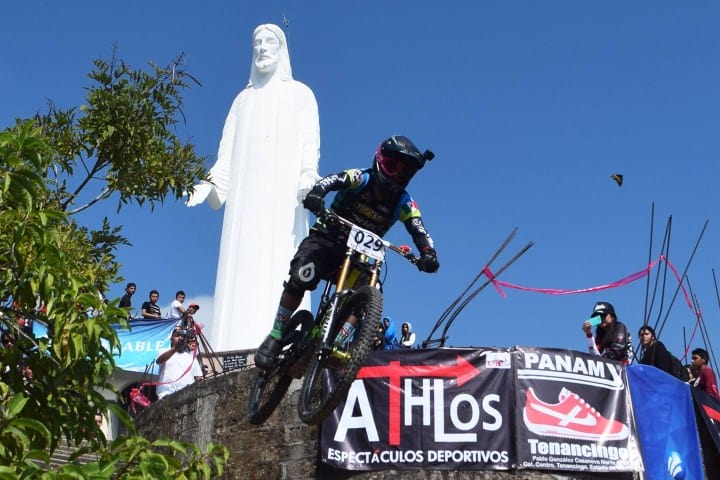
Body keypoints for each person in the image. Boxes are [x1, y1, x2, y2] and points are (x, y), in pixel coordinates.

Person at [185, 23, 320, 352]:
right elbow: (225, 157)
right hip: (244, 208)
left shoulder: (300, 95)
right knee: (239, 276)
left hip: (285, 204)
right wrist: (210, 186)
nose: (261, 48)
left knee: (284, 267)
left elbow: (309, 145)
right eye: (256, 43)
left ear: (281, 49)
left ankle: (284, 349)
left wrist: (307, 175)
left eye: (268, 42)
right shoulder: (241, 102)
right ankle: (230, 351)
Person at [255, 135, 440, 369]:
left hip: (360, 254)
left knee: (367, 295)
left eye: (404, 173)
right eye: (393, 167)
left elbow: (418, 228)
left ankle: (336, 343)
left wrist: (428, 252)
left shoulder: (404, 202)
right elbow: (332, 180)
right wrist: (316, 194)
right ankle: (276, 334)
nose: (397, 176)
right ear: (381, 161)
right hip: (328, 238)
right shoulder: (362, 177)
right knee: (302, 274)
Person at [155, 328, 204, 400]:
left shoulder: (192, 358)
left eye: (183, 336)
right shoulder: (163, 351)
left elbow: (198, 378)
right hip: (166, 394)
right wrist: (175, 349)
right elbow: (159, 361)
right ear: (171, 339)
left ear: (186, 341)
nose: (180, 338)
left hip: (187, 396)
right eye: (177, 335)